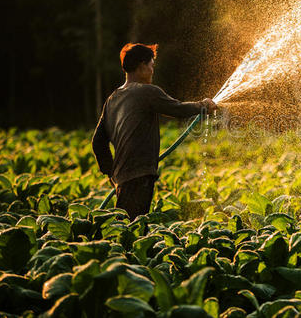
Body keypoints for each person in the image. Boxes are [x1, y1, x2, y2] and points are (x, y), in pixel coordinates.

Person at [92, 43, 217, 219]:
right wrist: (203, 105)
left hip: (124, 177)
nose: (152, 70)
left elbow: (98, 142)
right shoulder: (147, 92)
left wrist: (111, 172)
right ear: (142, 65)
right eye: (151, 65)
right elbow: (178, 109)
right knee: (132, 229)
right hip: (139, 175)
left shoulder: (112, 99)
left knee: (126, 226)